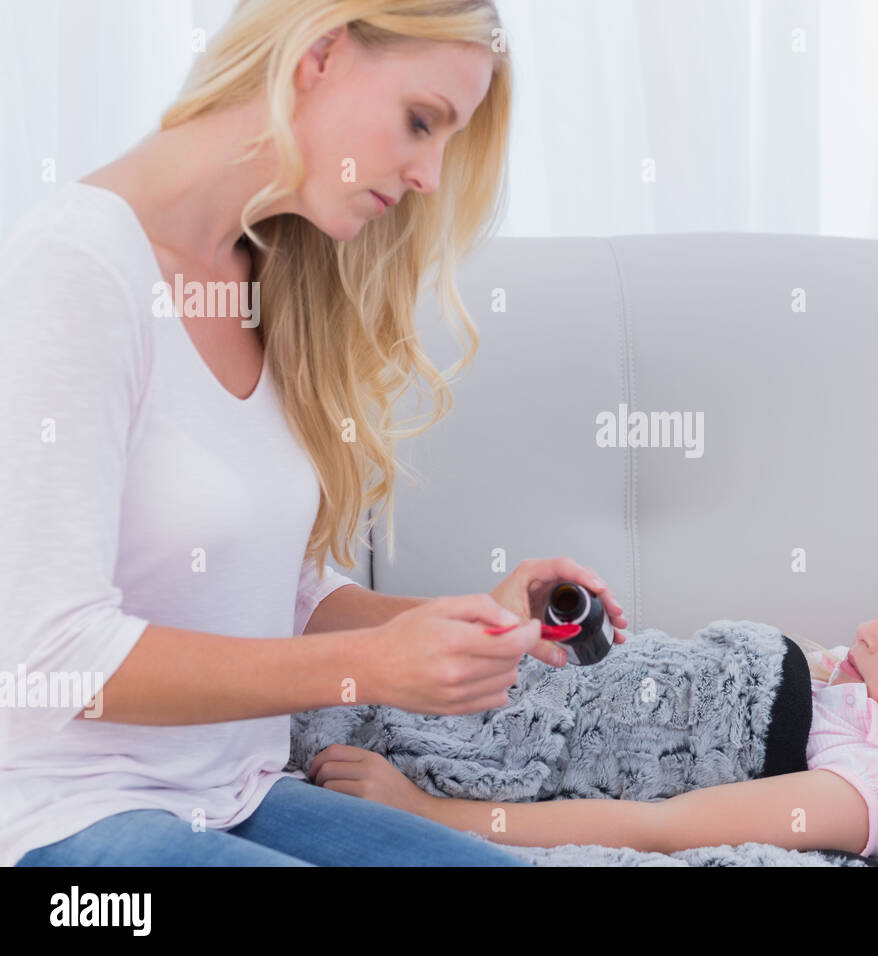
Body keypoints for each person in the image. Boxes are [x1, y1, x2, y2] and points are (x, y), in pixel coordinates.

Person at [1, 0, 632, 867]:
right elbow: (49, 655)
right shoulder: (75, 270)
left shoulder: (265, 274)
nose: (430, 178)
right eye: (421, 122)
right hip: (65, 825)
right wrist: (370, 666)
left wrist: (470, 624)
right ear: (321, 52)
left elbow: (274, 592)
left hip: (235, 799)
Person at [308, 543, 878, 858]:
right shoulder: (851, 686)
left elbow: (668, 825)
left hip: (502, 780)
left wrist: (426, 815)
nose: (869, 628)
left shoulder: (876, 783)